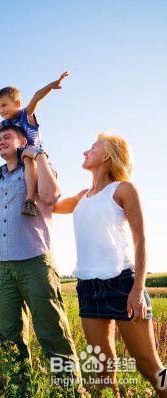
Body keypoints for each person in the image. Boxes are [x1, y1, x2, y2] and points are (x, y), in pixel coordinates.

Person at [0, 124, 83, 393]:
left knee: (52, 333)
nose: (0, 142)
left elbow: (52, 196)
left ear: (22, 141)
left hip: (35, 262)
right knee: (9, 336)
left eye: (6, 137)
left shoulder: (35, 168)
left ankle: (71, 391)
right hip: (4, 266)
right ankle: (20, 389)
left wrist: (38, 154)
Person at [54, 133, 166, 397]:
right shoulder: (83, 196)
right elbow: (50, 205)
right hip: (88, 288)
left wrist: (138, 290)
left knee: (149, 366)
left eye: (92, 147)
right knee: (102, 372)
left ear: (106, 155)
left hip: (123, 285)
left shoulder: (123, 189)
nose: (85, 151)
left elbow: (141, 242)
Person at [0, 71, 68, 227]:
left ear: (16, 103)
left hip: (33, 156)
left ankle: (29, 201)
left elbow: (36, 96)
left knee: (27, 157)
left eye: (4, 105)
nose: (1, 110)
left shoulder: (26, 114)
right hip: (16, 162)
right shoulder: (5, 124)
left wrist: (51, 85)